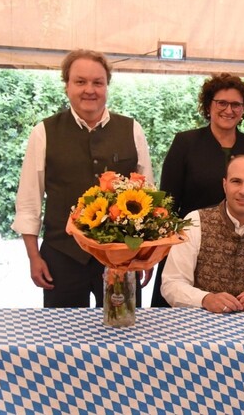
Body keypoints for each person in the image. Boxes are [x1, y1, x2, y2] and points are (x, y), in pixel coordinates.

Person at [12, 49, 154, 308]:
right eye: (80, 82)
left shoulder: (132, 129)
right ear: (67, 86)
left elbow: (148, 196)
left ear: (106, 86)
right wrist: (34, 257)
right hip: (62, 257)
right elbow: (29, 202)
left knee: (121, 336)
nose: (90, 90)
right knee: (62, 341)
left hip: (120, 257)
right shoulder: (44, 132)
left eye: (98, 83)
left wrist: (146, 254)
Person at [150, 73, 244, 307]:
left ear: (243, 108)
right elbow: (166, 204)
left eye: (236, 104)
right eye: (222, 103)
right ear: (209, 105)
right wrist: (162, 249)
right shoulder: (185, 143)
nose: (229, 110)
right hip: (189, 247)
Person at [160, 155, 244, 311]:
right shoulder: (195, 221)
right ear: (225, 185)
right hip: (202, 322)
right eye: (236, 181)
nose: (243, 191)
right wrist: (205, 299)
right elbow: (172, 283)